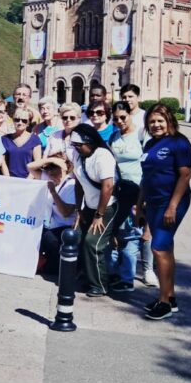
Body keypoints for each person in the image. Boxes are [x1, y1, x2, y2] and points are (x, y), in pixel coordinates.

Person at [138, 104, 191, 320]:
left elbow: (185, 175)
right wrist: (139, 205)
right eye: (152, 121)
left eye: (160, 120)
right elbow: (146, 177)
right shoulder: (150, 144)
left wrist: (172, 206)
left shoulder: (179, 142)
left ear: (169, 120)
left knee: (158, 248)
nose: (156, 125)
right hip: (152, 202)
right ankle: (170, 297)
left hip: (171, 202)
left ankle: (164, 303)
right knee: (166, 249)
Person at [69, 124, 119, 297]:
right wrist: (78, 209)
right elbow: (78, 183)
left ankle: (100, 285)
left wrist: (99, 215)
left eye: (79, 145)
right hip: (88, 207)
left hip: (107, 208)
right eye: (74, 145)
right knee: (76, 238)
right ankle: (85, 276)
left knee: (92, 243)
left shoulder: (102, 156)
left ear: (89, 142)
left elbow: (108, 186)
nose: (76, 148)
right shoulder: (78, 156)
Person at [108, 101, 145, 292]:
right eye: (115, 119)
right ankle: (114, 273)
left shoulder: (141, 134)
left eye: (123, 117)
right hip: (119, 190)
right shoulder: (114, 136)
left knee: (131, 235)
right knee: (116, 232)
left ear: (130, 115)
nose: (120, 121)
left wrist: (143, 199)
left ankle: (127, 278)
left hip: (137, 190)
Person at [33, 156, 78, 276]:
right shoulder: (52, 179)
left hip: (65, 228)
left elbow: (65, 212)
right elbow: (30, 167)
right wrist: (50, 160)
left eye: (54, 168)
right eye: (48, 169)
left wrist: (53, 192)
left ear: (63, 168)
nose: (50, 172)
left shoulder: (71, 184)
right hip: (51, 225)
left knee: (47, 237)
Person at [2, 106, 42, 178]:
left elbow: (37, 163)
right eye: (17, 120)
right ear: (13, 121)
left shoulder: (35, 139)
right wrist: (7, 179)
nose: (20, 123)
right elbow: (2, 162)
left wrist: (28, 180)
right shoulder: (5, 139)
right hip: (8, 179)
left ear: (28, 123)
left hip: (28, 180)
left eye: (24, 120)